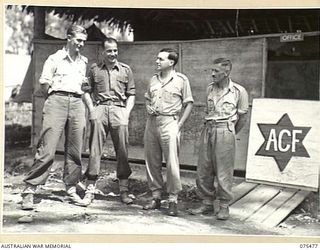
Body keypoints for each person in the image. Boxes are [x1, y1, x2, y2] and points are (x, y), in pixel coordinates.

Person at [21, 25, 88, 210]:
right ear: (68, 38)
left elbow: (83, 86)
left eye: (83, 41)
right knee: (47, 147)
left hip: (76, 102)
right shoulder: (54, 59)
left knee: (75, 149)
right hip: (56, 100)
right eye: (78, 40)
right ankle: (30, 190)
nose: (81, 44)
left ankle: (71, 188)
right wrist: (54, 100)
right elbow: (44, 85)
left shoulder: (83, 61)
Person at [189, 58, 249, 220]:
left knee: (223, 171)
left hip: (225, 130)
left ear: (227, 72)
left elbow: (243, 117)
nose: (212, 74)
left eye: (216, 71)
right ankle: (207, 203)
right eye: (211, 70)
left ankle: (223, 206)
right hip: (208, 129)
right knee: (204, 168)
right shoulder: (210, 89)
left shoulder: (238, 91)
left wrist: (229, 132)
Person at [81, 37, 135, 206]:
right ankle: (90, 189)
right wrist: (92, 111)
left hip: (119, 110)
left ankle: (124, 190)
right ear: (103, 52)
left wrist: (126, 112)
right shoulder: (94, 69)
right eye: (109, 50)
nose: (113, 54)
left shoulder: (126, 70)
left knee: (123, 151)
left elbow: (131, 94)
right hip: (100, 110)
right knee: (95, 150)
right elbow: (85, 91)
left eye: (115, 50)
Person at [143, 48, 194, 216]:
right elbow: (147, 98)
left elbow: (189, 104)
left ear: (171, 62)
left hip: (170, 122)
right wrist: (148, 107)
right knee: (152, 161)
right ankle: (156, 197)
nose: (157, 61)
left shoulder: (181, 80)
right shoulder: (153, 79)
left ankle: (173, 200)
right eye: (157, 58)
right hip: (152, 123)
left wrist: (178, 125)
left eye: (160, 59)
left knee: (172, 163)